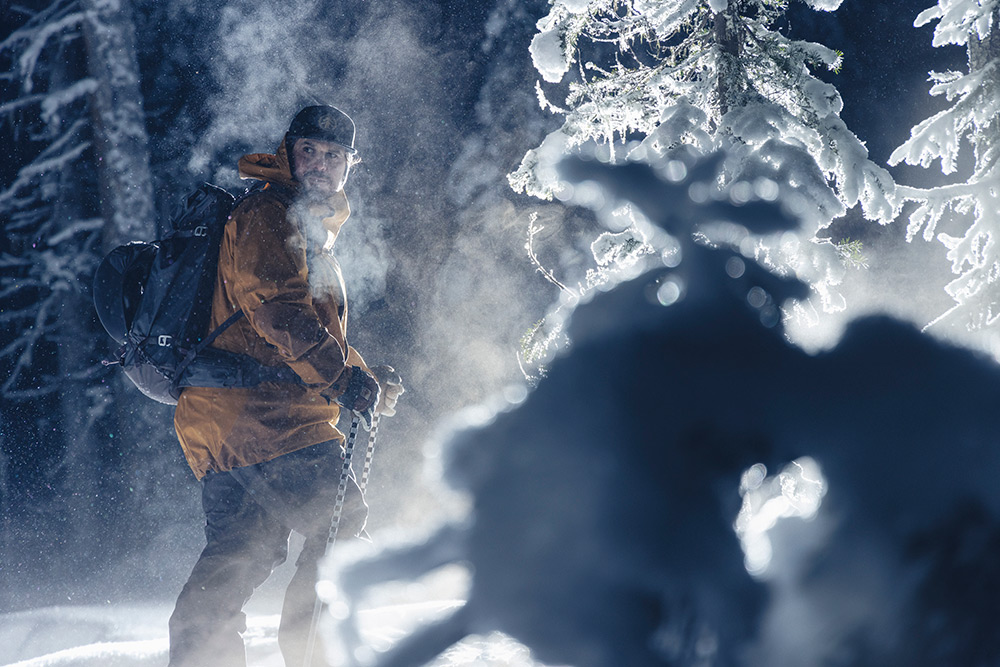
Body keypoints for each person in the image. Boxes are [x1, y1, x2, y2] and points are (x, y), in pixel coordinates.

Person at [167, 105, 404, 667]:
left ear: (350, 165)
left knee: (239, 557)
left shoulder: (298, 226)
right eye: (309, 152)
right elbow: (277, 310)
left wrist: (360, 378)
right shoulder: (269, 214)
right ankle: (315, 656)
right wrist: (342, 379)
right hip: (270, 421)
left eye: (334, 156)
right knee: (338, 531)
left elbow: (299, 326)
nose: (321, 164)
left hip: (228, 426)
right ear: (287, 154)